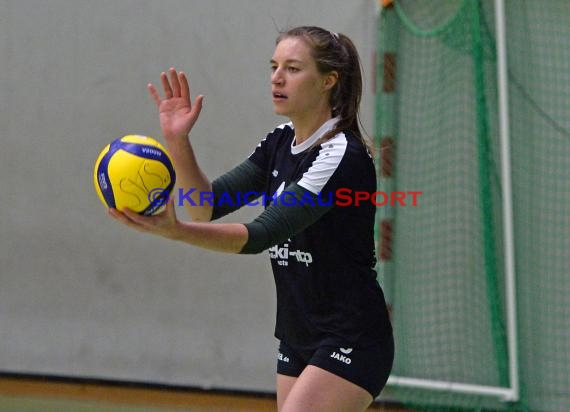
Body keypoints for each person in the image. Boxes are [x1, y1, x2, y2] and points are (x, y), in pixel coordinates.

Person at [110, 26, 393, 412]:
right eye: (274, 66)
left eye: (293, 68)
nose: (277, 77)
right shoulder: (278, 142)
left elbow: (260, 234)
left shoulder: (340, 155)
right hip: (298, 333)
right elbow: (205, 205)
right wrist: (177, 140)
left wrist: (176, 232)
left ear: (329, 80)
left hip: (352, 335)